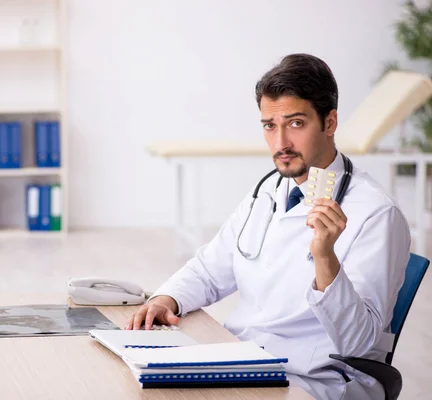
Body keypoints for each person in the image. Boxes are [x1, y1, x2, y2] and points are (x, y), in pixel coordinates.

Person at [125, 53, 411, 400]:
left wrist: (325, 259)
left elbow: (358, 342)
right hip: (244, 359)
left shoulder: (376, 213)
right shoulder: (268, 191)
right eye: (269, 126)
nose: (280, 144)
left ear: (330, 122)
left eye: (295, 123)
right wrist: (165, 299)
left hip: (315, 378)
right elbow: (211, 268)